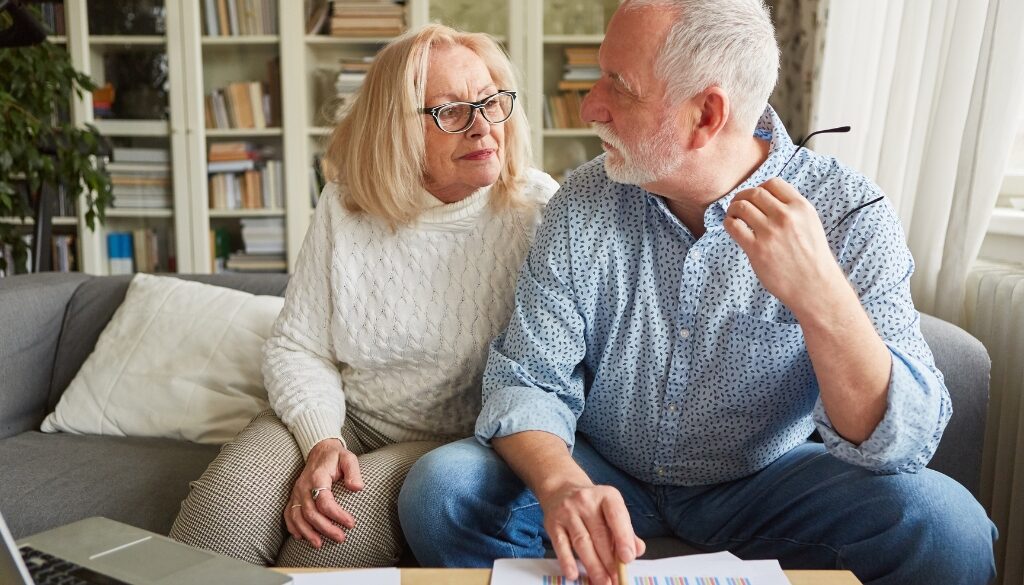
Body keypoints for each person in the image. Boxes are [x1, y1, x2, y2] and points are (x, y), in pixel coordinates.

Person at [397, 2, 997, 584]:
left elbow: (903, 442)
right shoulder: (582, 204)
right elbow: (527, 379)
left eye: (618, 86)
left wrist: (821, 298)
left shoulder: (849, 213)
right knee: (444, 492)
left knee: (948, 530)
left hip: (770, 481)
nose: (589, 107)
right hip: (606, 472)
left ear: (706, 114)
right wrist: (562, 485)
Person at [168, 24, 558, 567]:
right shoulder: (346, 203)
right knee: (222, 512)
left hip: (453, 444)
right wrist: (322, 441)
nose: (481, 127)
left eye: (491, 102)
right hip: (348, 417)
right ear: (396, 129)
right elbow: (299, 347)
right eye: (449, 111)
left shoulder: (538, 210)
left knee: (321, 544)